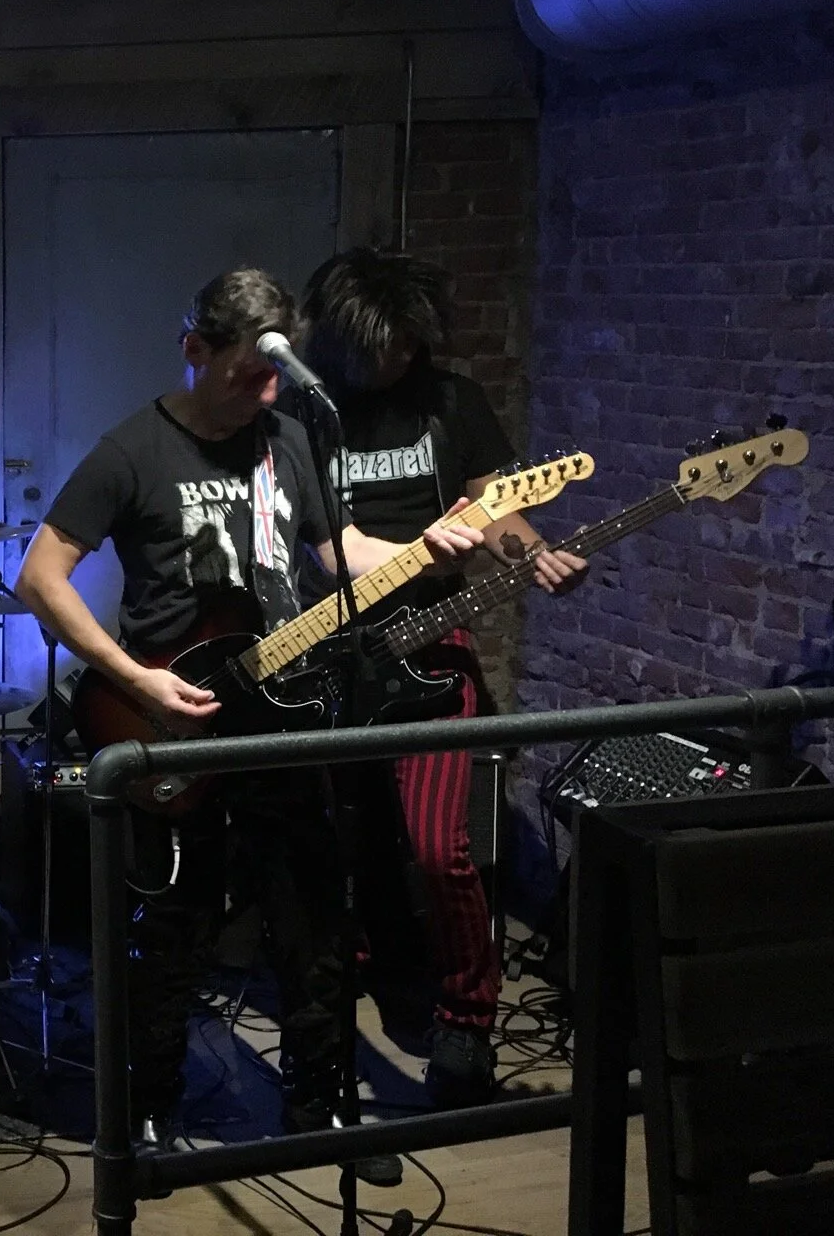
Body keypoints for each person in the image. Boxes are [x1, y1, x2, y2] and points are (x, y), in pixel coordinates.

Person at [12, 268, 485, 1180]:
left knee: (313, 919)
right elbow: (41, 576)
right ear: (193, 349)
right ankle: (146, 1106)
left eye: (275, 375)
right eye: (246, 375)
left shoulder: (288, 439)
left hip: (281, 712)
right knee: (172, 931)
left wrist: (422, 551)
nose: (265, 393)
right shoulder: (131, 451)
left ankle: (321, 1106)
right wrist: (134, 678)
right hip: (175, 717)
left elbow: (336, 554)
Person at [298, 247, 585, 1105]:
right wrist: (408, 551)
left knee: (439, 846)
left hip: (429, 640)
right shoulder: (304, 411)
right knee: (339, 845)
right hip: (326, 649)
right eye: (386, 345)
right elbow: (316, 549)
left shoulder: (448, 399)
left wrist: (533, 553)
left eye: (410, 341)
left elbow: (496, 507)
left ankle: (465, 1024)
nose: (403, 357)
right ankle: (348, 998)